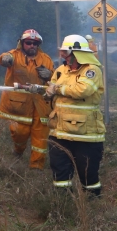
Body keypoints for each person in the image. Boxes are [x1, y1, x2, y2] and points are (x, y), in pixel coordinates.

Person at [45, 34, 105, 196]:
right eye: (62, 52)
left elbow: (82, 90)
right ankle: (63, 205)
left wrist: (57, 89)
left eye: (66, 52)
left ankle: (92, 206)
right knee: (60, 173)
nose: (63, 56)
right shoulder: (60, 71)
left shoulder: (92, 71)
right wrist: (46, 92)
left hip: (86, 135)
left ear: (76, 53)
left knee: (88, 175)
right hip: (59, 132)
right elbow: (52, 87)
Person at [0, 29, 55, 169]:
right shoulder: (13, 55)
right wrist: (5, 59)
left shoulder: (45, 59)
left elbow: (55, 81)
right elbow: (4, 57)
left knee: (40, 137)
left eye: (35, 43)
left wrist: (49, 75)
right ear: (22, 43)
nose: (32, 46)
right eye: (28, 43)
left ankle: (36, 166)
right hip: (19, 104)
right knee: (19, 132)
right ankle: (18, 150)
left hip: (41, 104)